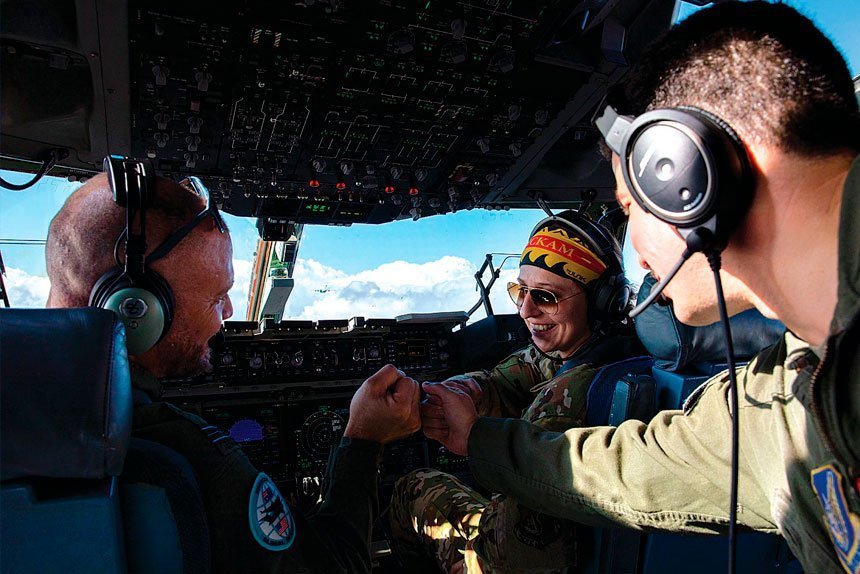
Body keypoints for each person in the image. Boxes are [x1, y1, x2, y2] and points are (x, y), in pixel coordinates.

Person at [420, 3, 860, 574]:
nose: (639, 255)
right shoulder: (779, 399)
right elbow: (635, 469)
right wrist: (475, 437)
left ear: (690, 176)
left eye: (630, 208)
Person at [45, 170, 421, 573]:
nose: (227, 314)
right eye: (216, 297)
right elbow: (336, 565)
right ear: (135, 308)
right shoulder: (191, 457)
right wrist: (364, 439)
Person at [389, 212, 642, 573]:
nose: (525, 309)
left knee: (412, 487)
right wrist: (467, 388)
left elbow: (511, 560)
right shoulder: (618, 350)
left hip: (515, 560)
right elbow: (517, 375)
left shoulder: (556, 409)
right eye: (520, 290)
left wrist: (476, 440)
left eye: (545, 296)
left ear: (602, 300)